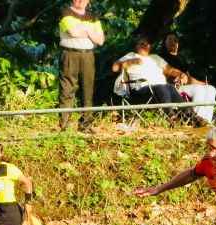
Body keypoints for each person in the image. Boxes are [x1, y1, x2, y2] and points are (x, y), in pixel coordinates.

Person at [58, 0, 105, 132]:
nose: (81, 1)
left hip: (88, 55)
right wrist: (90, 31)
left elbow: (100, 40)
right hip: (69, 54)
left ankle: (86, 125)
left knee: (88, 90)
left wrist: (84, 30)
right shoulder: (65, 12)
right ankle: (64, 126)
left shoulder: (93, 16)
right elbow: (73, 32)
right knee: (67, 89)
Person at [161, 32, 216, 126]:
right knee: (198, 89)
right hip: (171, 88)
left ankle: (206, 120)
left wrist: (203, 83)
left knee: (211, 88)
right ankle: (195, 119)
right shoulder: (162, 57)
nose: (173, 42)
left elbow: (188, 78)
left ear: (178, 44)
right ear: (164, 42)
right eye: (170, 39)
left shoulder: (181, 59)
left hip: (186, 86)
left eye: (175, 40)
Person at [112, 36, 185, 106]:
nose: (145, 45)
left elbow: (170, 70)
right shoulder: (131, 56)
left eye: (147, 44)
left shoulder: (155, 58)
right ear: (136, 46)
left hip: (161, 89)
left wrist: (181, 74)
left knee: (171, 87)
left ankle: (190, 115)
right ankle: (170, 115)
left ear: (150, 47)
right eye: (142, 44)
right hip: (141, 90)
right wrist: (130, 62)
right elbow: (114, 68)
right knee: (162, 87)